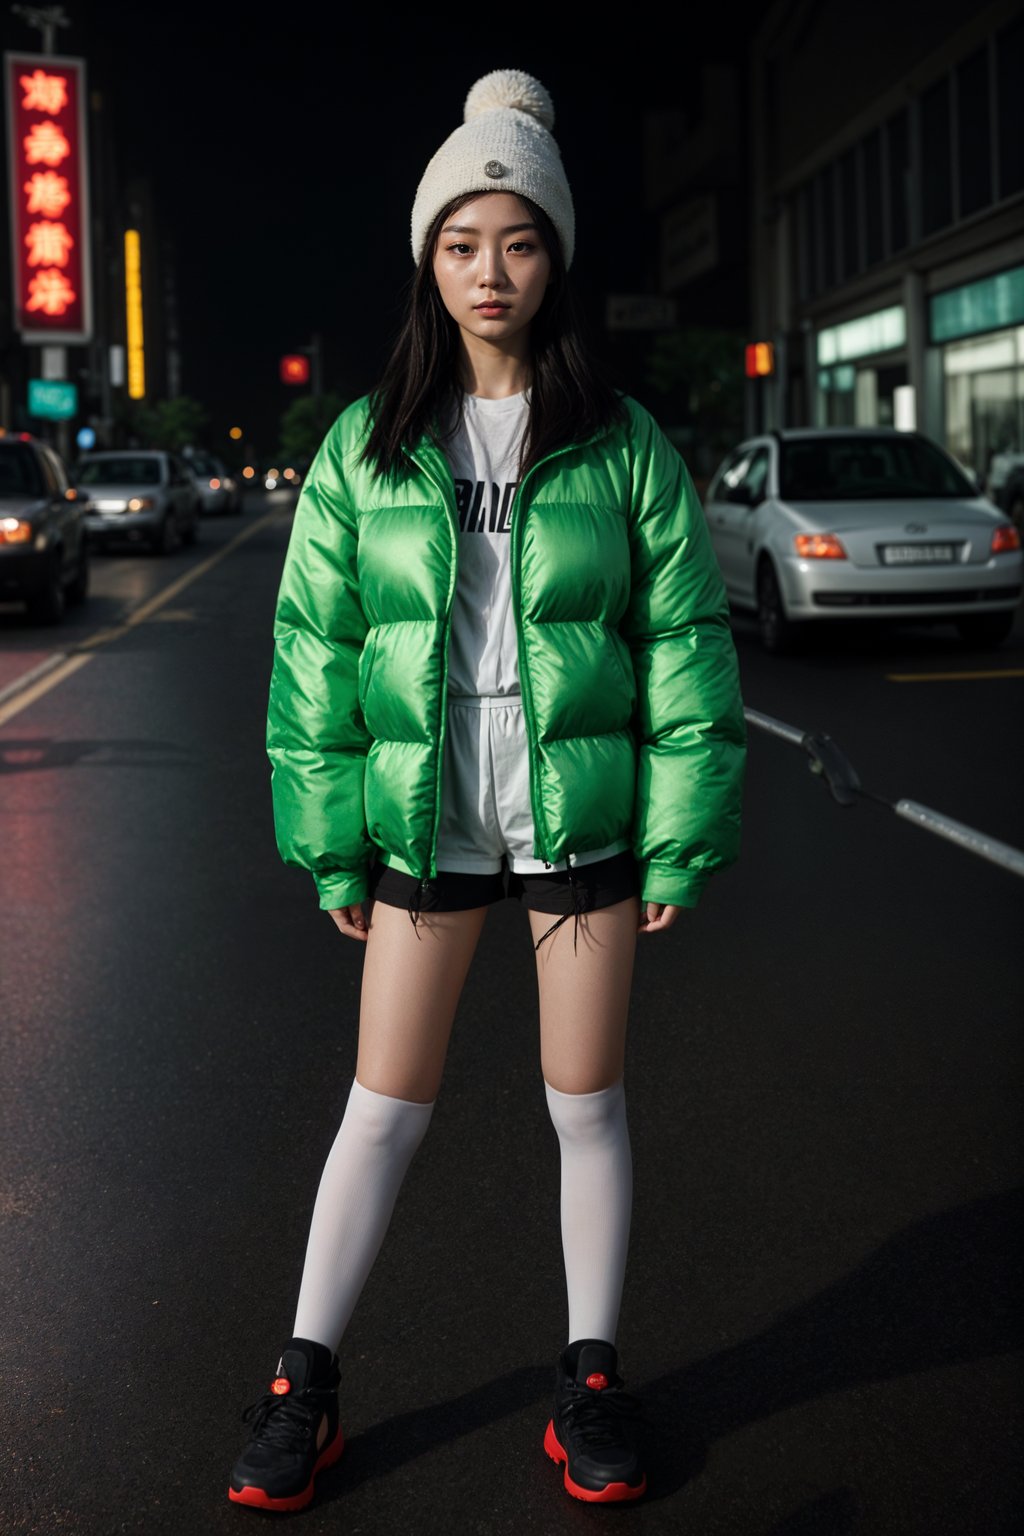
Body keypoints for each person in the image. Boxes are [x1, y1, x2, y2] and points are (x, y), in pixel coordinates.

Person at [228, 66, 746, 1514]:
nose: (490, 271)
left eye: (516, 240)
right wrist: (333, 846)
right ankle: (303, 1385)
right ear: (428, 262)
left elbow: (687, 649)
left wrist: (678, 835)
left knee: (585, 1107)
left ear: (555, 253)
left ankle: (589, 1380)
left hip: (576, 819)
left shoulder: (623, 443)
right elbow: (312, 657)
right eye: (462, 244)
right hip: (426, 823)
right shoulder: (367, 444)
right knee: (380, 1108)